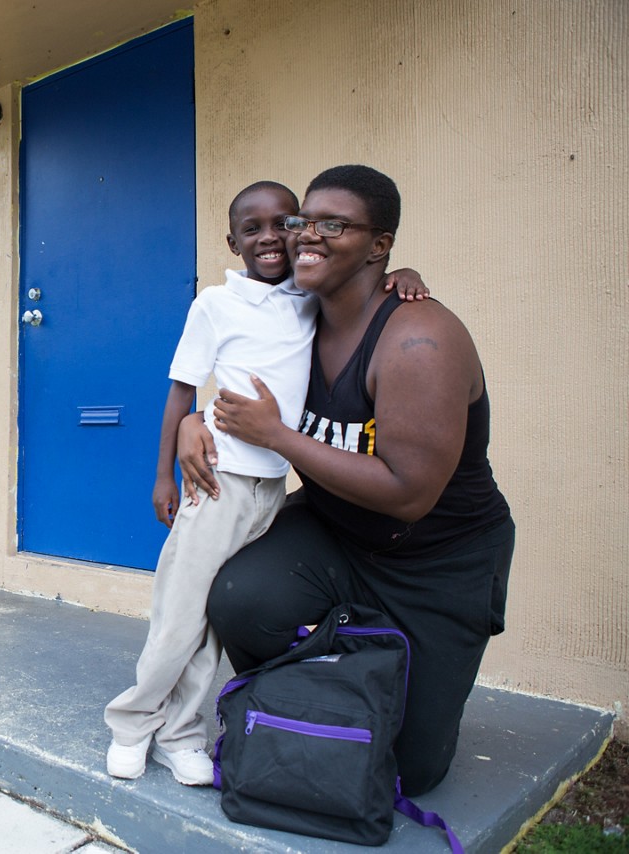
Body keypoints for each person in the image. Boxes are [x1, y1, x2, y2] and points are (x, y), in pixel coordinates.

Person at [183, 165, 514, 797]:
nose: (308, 235)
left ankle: (379, 681)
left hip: (438, 559)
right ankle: (311, 697)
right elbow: (231, 366)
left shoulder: (419, 340)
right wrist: (192, 421)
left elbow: (409, 493)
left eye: (333, 224)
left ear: (380, 245)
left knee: (410, 772)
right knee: (240, 598)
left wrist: (277, 436)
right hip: (338, 535)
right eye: (304, 220)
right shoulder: (298, 314)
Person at [103, 180, 428, 785]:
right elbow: (182, 387)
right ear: (233, 242)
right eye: (252, 229)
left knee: (216, 620)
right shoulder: (215, 306)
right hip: (217, 481)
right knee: (180, 615)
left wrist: (402, 270)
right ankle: (131, 722)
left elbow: (364, 279)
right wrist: (163, 473)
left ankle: (180, 735)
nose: (271, 237)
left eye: (285, 222)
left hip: (272, 489)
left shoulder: (308, 298)